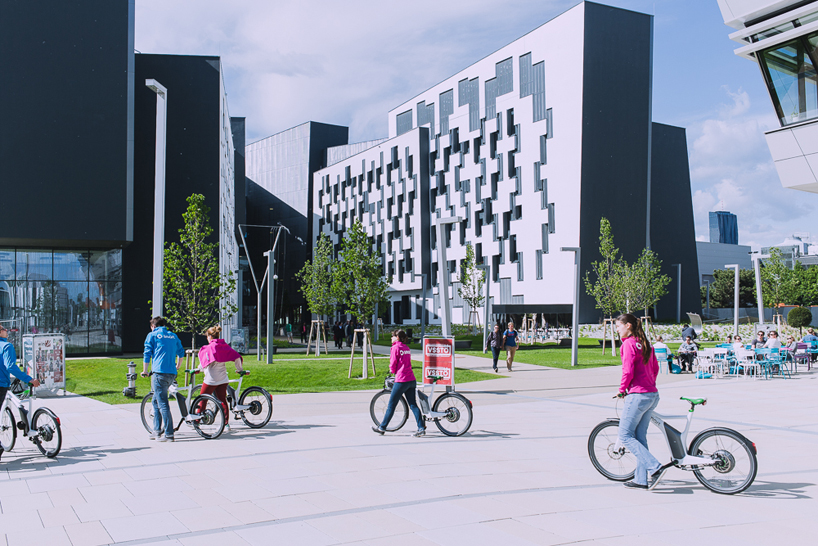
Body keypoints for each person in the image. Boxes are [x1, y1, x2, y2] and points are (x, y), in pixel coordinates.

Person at [615, 313, 664, 491]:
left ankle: (655, 467)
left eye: (618, 326)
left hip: (637, 395)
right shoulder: (645, 343)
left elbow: (627, 370)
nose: (617, 329)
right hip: (651, 394)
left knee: (626, 436)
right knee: (640, 437)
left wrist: (622, 390)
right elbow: (656, 368)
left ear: (628, 325)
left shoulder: (628, 344)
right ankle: (641, 479)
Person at [372, 330, 425, 437]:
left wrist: (392, 371)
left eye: (392, 336)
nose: (391, 338)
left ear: (397, 337)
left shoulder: (395, 348)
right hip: (411, 379)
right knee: (413, 404)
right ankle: (421, 427)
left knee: (391, 405)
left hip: (401, 380)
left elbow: (393, 363)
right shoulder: (406, 348)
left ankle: (382, 427)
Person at [0, 325, 41, 461]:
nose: (7, 330)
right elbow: (10, 366)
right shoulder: (7, 346)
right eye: (4, 329)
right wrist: (29, 379)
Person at [141, 317, 185, 442]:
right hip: (171, 373)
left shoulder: (152, 335)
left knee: (162, 404)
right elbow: (181, 352)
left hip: (159, 373)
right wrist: (178, 366)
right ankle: (156, 430)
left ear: (153, 326)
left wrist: (145, 370)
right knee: (156, 400)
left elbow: (147, 353)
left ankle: (169, 434)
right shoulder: (173, 336)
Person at [197, 325, 244, 433]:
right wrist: (239, 369)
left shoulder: (209, 348)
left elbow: (204, 362)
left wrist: (198, 369)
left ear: (209, 336)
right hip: (223, 379)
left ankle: (197, 420)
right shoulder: (224, 346)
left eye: (207, 336)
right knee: (222, 400)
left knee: (202, 399)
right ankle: (226, 424)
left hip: (211, 379)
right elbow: (236, 356)